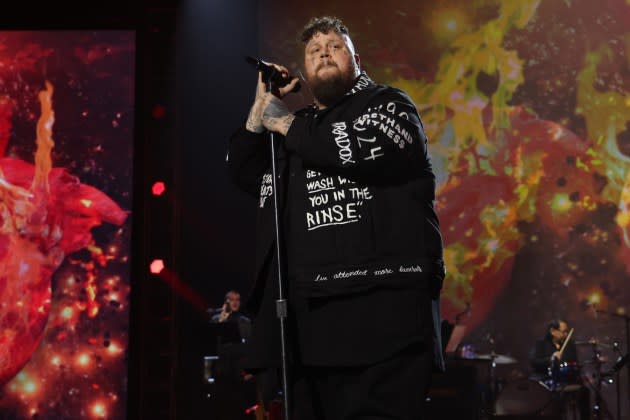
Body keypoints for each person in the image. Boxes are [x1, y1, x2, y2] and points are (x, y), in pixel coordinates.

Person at [227, 16, 445, 419]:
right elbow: (243, 171)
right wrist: (262, 107)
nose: (323, 52)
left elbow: (367, 148)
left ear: (357, 60)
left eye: (335, 46)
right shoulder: (298, 128)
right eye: (313, 51)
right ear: (305, 72)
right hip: (309, 330)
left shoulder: (389, 104)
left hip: (384, 321)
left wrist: (284, 121)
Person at [529, 319, 590, 419]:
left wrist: (563, 361)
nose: (566, 334)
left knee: (584, 391)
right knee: (555, 396)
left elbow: (573, 362)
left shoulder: (569, 345)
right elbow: (534, 362)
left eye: (567, 331)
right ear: (553, 331)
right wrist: (551, 359)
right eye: (564, 331)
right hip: (545, 380)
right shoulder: (541, 344)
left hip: (565, 380)